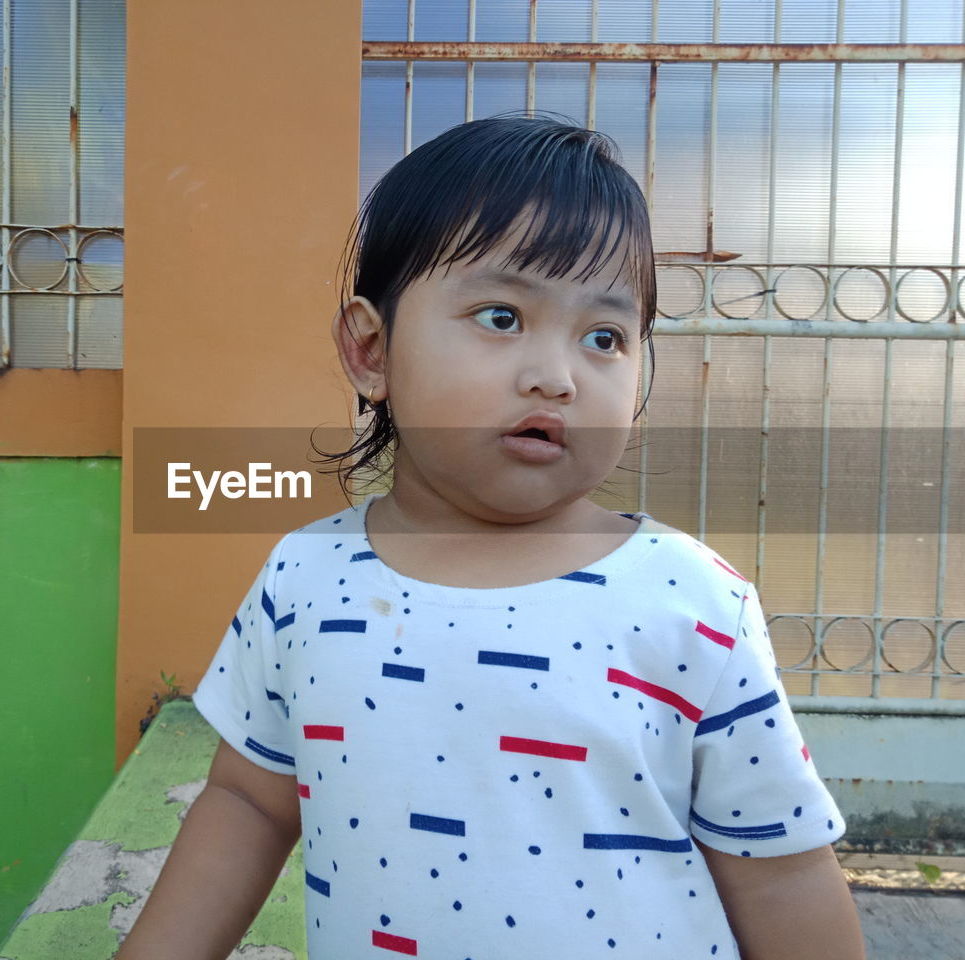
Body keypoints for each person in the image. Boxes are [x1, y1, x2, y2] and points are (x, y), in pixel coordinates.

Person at [117, 115, 865, 959]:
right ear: (371, 352)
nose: (557, 373)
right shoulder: (305, 581)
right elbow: (249, 803)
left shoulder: (692, 601)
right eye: (503, 316)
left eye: (605, 338)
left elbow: (783, 872)